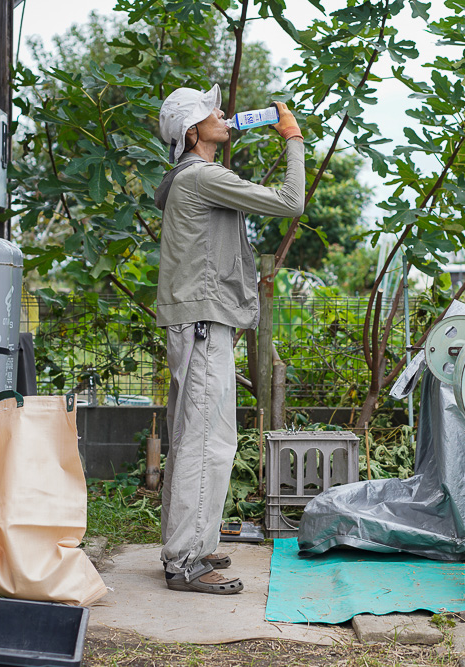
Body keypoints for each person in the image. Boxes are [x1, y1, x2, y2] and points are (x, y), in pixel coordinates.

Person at [154, 84, 304, 594]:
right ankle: (184, 561)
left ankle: (193, 545)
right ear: (193, 132)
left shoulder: (193, 177)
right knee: (204, 441)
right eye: (210, 111)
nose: (224, 113)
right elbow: (290, 202)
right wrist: (293, 138)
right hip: (201, 322)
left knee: (204, 437)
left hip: (201, 320)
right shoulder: (199, 177)